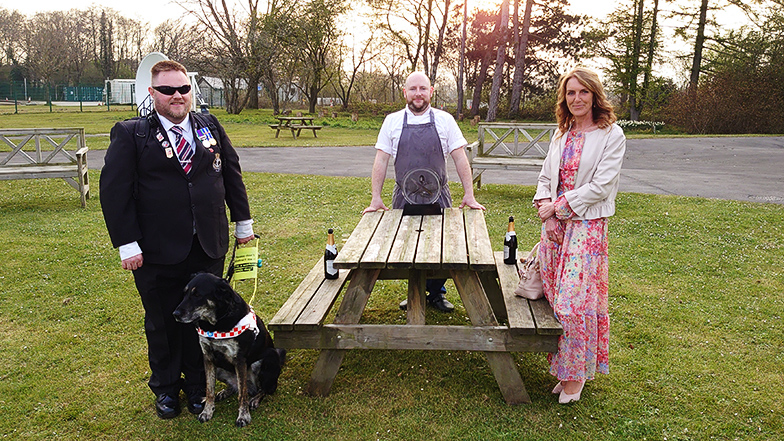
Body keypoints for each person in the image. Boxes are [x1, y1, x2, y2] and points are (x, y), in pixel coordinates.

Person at [99, 60, 255, 419]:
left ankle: (199, 388)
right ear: (152, 93)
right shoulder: (131, 134)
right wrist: (127, 243)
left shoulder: (209, 125)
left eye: (183, 89)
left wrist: (243, 221)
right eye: (168, 90)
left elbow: (231, 173)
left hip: (207, 245)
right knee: (163, 322)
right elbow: (114, 192)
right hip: (156, 251)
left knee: (205, 324)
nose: (177, 96)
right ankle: (167, 389)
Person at [533, 67, 625, 404]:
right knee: (556, 302)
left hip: (586, 228)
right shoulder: (562, 133)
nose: (576, 99)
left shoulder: (611, 135)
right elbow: (545, 177)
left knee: (574, 303)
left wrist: (557, 208)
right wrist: (547, 213)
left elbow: (600, 187)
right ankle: (565, 370)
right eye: (570, 93)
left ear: (595, 95)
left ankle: (577, 376)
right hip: (556, 229)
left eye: (583, 92)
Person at [362, 71, 485, 312]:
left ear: (431, 91)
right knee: (406, 248)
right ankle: (415, 291)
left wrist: (469, 194)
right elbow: (381, 160)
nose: (418, 93)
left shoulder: (445, 120)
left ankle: (436, 293)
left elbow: (460, 158)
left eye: (423, 88)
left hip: (439, 198)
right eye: (413, 89)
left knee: (443, 248)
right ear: (405, 93)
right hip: (404, 199)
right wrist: (376, 197)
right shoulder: (392, 121)